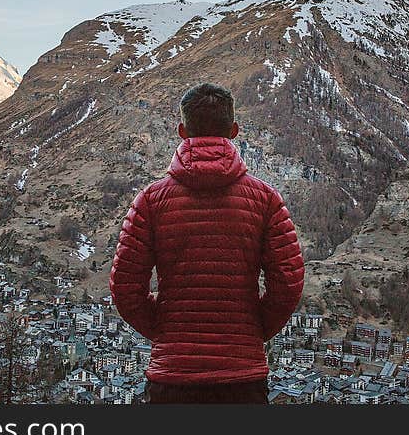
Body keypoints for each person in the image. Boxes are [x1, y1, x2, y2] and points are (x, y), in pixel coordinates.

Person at [110, 82, 304, 403]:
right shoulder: (266, 200)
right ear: (234, 130)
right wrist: (251, 332)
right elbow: (288, 283)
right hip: (243, 377)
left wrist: (164, 331)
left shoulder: (150, 200)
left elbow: (125, 287)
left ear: (182, 131)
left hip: (172, 377)